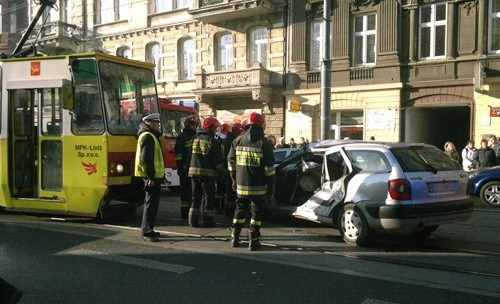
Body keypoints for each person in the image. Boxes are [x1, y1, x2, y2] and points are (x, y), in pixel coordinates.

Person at [228, 113, 275, 251]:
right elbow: (270, 170)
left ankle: (234, 237)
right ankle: (253, 241)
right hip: (258, 187)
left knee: (240, 211)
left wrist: (234, 179)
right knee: (256, 214)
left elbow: (231, 164)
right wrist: (270, 187)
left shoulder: (237, 141)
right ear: (261, 125)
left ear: (247, 125)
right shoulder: (264, 143)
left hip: (241, 186)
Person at [188, 117, 224, 228]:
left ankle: (192, 221)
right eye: (215, 127)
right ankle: (208, 221)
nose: (216, 129)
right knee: (209, 198)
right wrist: (223, 171)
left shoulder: (194, 138)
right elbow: (217, 160)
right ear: (211, 127)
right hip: (207, 175)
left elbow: (189, 154)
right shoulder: (212, 140)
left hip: (193, 173)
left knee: (195, 197)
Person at [135, 113, 165, 242]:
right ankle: (146, 231)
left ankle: (149, 229)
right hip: (150, 177)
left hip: (153, 176)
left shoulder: (150, 136)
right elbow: (146, 159)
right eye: (155, 122)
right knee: (150, 204)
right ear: (148, 122)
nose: (158, 125)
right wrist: (150, 178)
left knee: (152, 203)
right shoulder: (148, 137)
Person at [174, 115, 199, 219]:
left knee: (194, 191)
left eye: (195, 124)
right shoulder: (182, 137)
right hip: (185, 168)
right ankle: (185, 212)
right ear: (188, 125)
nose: (194, 126)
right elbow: (178, 153)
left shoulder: (197, 136)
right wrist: (181, 166)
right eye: (192, 124)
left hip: (194, 168)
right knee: (185, 192)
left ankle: (192, 211)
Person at [221, 123, 244, 218]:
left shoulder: (228, 140)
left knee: (228, 191)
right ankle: (230, 212)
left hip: (227, 170)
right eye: (239, 133)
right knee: (231, 193)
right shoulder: (231, 142)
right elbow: (230, 158)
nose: (240, 135)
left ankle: (227, 210)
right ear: (235, 132)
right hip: (230, 171)